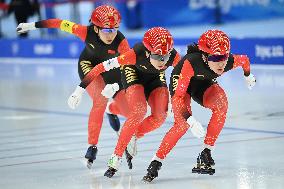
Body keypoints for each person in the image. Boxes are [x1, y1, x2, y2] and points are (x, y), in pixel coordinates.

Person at [16, 5, 131, 168]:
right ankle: (92, 146)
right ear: (96, 28)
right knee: (99, 101)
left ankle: (111, 109)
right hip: (88, 65)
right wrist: (31, 26)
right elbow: (59, 23)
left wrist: (121, 84)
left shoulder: (121, 42)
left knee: (124, 104)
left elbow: (130, 66)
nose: (111, 34)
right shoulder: (84, 31)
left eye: (114, 29)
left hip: (110, 69)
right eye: (106, 30)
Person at [142, 29, 256, 182]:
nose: (222, 62)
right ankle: (156, 161)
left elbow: (244, 60)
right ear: (204, 56)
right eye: (216, 57)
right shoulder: (190, 63)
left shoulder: (227, 61)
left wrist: (248, 76)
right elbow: (178, 99)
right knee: (182, 125)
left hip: (203, 84)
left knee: (221, 104)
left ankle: (206, 152)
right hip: (182, 87)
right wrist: (190, 119)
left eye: (224, 56)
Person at [68, 27, 181, 177]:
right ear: (147, 52)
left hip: (155, 79)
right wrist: (79, 90)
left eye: (165, 56)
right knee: (138, 111)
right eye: (157, 56)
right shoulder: (133, 55)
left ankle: (132, 135)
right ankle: (116, 155)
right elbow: (99, 68)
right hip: (132, 74)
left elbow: (184, 78)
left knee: (160, 116)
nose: (162, 61)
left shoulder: (173, 56)